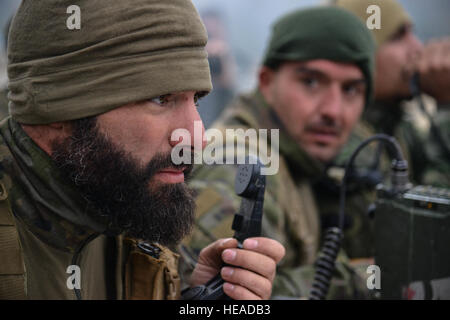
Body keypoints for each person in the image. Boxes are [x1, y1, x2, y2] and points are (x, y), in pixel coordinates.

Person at [0, 0, 284, 300]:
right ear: (59, 107)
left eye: (195, 100)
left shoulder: (125, 207)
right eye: (161, 99)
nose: (196, 139)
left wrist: (190, 294)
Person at [179, 6, 376, 299]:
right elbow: (221, 298)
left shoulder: (295, 153)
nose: (333, 110)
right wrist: (357, 279)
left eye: (350, 90)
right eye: (310, 82)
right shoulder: (237, 165)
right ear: (267, 82)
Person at [316, 0, 450, 260]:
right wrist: (445, 107)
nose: (417, 48)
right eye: (399, 37)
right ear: (360, 54)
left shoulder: (395, 127)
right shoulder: (348, 144)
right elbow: (422, 241)